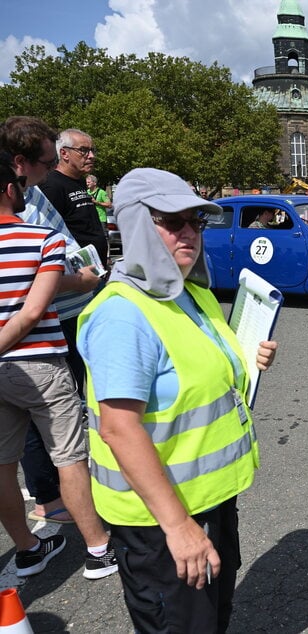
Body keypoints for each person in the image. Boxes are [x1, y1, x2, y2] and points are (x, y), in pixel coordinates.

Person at [77, 168, 278, 631]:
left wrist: (247, 356)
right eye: (170, 221)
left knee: (211, 618)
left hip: (210, 500)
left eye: (195, 221)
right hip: (162, 519)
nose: (188, 231)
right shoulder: (123, 316)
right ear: (136, 226)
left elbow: (197, 371)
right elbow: (118, 428)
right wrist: (178, 527)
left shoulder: (189, 293)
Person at [0, 151, 118, 580]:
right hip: (39, 362)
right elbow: (34, 310)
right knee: (69, 456)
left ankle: (29, 548)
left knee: (3, 464)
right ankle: (99, 549)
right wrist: (86, 280)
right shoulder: (40, 240)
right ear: (13, 189)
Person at [1, 116, 102, 526]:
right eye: (48, 161)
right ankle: (61, 509)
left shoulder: (33, 194)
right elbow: (32, 288)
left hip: (58, 318)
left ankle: (34, 533)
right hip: (39, 336)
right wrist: (80, 280)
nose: (51, 170)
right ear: (21, 163)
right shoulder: (21, 208)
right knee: (61, 443)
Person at [39, 128, 108, 266]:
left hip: (96, 270)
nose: (91, 156)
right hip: (76, 275)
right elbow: (47, 234)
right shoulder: (51, 185)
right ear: (64, 153)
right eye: (83, 150)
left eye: (92, 150)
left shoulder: (80, 181)